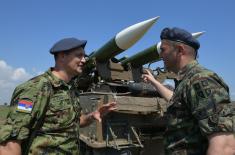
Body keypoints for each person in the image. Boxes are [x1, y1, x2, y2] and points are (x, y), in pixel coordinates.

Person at [0, 38, 117, 154]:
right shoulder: (36, 88)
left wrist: (93, 115)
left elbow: (76, 122)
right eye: (79, 55)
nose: (84, 60)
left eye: (84, 56)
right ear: (62, 56)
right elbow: (10, 143)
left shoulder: (71, 90)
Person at [142, 27, 235, 155]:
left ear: (180, 50)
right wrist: (154, 81)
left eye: (163, 50)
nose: (160, 55)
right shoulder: (187, 81)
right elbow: (175, 100)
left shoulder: (201, 80)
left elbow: (224, 146)